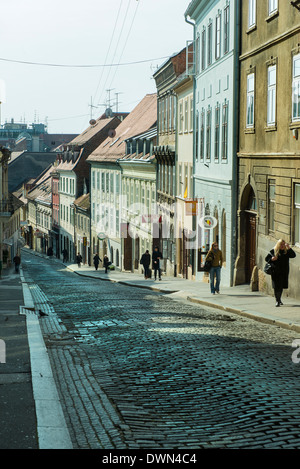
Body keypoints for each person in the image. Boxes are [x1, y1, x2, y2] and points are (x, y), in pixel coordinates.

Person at [265, 239, 296, 307]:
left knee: (281, 286)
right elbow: (266, 258)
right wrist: (272, 259)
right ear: (278, 244)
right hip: (275, 271)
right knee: (276, 286)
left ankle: (279, 299)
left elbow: (293, 255)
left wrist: (289, 248)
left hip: (284, 271)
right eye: (281, 244)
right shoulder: (273, 251)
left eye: (283, 244)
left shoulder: (286, 251)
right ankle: (277, 300)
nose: (282, 246)